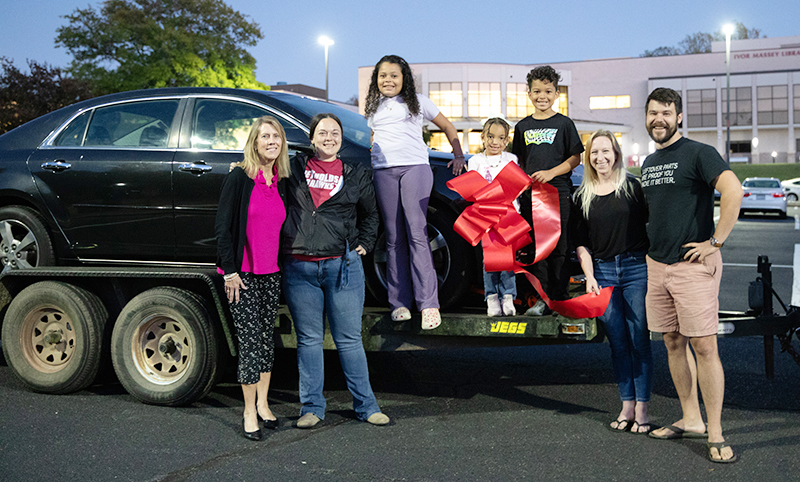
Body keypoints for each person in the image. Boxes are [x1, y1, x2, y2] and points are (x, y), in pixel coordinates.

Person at [640, 88, 743, 463]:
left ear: (679, 117)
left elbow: (733, 191)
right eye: (653, 113)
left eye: (666, 113)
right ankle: (691, 418)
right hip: (657, 267)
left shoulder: (699, 153)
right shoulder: (650, 163)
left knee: (704, 346)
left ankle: (715, 431)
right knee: (671, 341)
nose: (659, 119)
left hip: (692, 267)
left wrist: (715, 241)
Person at [281, 113, 390, 429]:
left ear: (341, 139)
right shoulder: (295, 168)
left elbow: (371, 214)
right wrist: (240, 170)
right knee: (309, 340)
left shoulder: (355, 173)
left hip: (342, 268)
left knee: (349, 340)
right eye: (323, 132)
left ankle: (367, 406)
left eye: (335, 133)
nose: (329, 137)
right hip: (300, 268)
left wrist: (366, 245)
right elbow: (263, 171)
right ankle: (312, 408)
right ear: (312, 138)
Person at [364, 54, 466, 330]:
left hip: (414, 169)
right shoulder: (373, 107)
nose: (388, 80)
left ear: (403, 78)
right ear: (376, 79)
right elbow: (374, 139)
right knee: (393, 237)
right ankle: (399, 303)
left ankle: (429, 304)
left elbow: (447, 126)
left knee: (416, 232)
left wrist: (458, 155)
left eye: (394, 75)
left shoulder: (418, 101)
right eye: (383, 75)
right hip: (384, 172)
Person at [215, 116, 290, 441]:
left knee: (264, 342)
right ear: (254, 143)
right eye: (265, 137)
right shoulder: (239, 177)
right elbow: (222, 228)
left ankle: (263, 404)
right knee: (249, 344)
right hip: (241, 275)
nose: (272, 141)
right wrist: (229, 270)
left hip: (270, 274)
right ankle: (248, 411)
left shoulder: (282, 180)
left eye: (277, 136)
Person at [573, 130, 652, 434]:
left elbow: (650, 226)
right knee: (618, 344)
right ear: (588, 157)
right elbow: (581, 243)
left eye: (606, 151)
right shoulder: (583, 194)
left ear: (616, 153)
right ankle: (627, 405)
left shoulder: (632, 187)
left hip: (636, 269)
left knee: (639, 341)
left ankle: (643, 409)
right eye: (594, 152)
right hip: (603, 273)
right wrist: (590, 276)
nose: (600, 157)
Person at [511, 65, 584, 316]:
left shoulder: (564, 123)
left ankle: (560, 298)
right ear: (529, 93)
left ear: (556, 94)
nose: (542, 96)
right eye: (537, 91)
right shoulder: (522, 126)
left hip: (558, 193)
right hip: (531, 196)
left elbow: (576, 158)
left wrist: (552, 173)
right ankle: (542, 299)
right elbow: (518, 161)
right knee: (537, 247)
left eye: (548, 91)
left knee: (559, 246)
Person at [467, 117, 519, 316]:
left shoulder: (511, 160)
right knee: (489, 260)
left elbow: (517, 186)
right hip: (486, 216)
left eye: (500, 138)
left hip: (509, 216)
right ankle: (491, 298)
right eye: (490, 136)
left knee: (508, 259)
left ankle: (508, 297)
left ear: (506, 141)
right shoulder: (475, 161)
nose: (494, 142)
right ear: (482, 137)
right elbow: (473, 189)